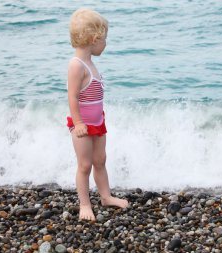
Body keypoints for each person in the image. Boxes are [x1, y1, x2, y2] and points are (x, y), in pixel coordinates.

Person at [66, 8, 128, 221]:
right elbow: (73, 97)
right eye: (105, 39)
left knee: (100, 160)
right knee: (85, 165)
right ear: (94, 39)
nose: (106, 44)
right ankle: (84, 204)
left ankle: (106, 196)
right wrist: (78, 122)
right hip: (82, 126)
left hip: (98, 123)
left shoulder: (90, 63)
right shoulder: (77, 65)